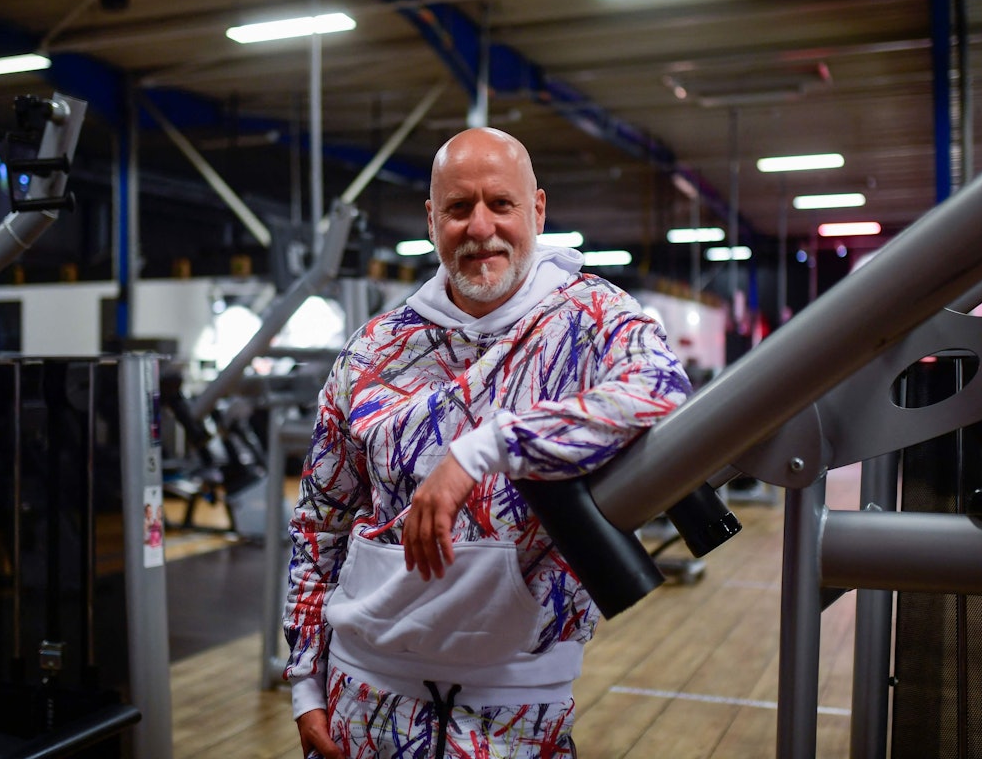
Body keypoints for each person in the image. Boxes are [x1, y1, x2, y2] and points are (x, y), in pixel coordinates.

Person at [283, 126, 691, 758]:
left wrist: (482, 450)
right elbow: (320, 522)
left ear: (538, 211)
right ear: (431, 220)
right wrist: (306, 683)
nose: (480, 227)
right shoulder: (374, 350)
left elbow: (663, 389)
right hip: (362, 698)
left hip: (513, 713)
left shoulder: (590, 319)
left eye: (501, 203)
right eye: (458, 207)